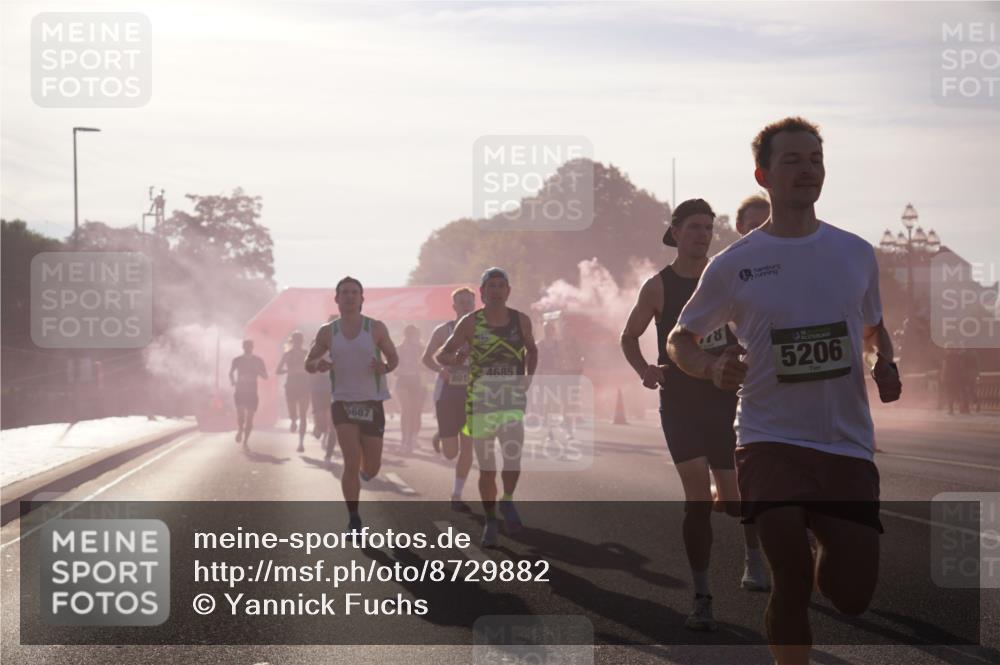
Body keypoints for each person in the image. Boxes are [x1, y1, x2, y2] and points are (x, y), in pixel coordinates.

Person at [667, 116, 902, 665]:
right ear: (764, 175)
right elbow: (682, 338)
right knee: (790, 581)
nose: (807, 170)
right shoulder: (735, 265)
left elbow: (871, 329)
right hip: (768, 437)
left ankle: (823, 529)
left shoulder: (854, 253)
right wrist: (708, 368)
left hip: (845, 442)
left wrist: (883, 361)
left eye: (815, 160)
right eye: (792, 161)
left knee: (851, 596)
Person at [621, 198, 769, 634]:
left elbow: (757, 326)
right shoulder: (658, 286)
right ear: (676, 231)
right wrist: (644, 368)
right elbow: (629, 336)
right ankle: (702, 596)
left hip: (725, 400)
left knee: (734, 498)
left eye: (708, 227)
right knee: (697, 501)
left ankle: (753, 555)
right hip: (680, 403)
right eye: (694, 227)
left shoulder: (725, 278)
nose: (702, 235)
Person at [436, 267, 538, 547]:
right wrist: (455, 357)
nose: (495, 290)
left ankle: (507, 500)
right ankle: (491, 520)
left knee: (512, 458)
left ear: (508, 291)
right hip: (480, 401)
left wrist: (528, 377)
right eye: (490, 286)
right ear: (482, 292)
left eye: (500, 285)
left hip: (512, 398)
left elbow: (533, 349)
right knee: (487, 466)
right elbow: (441, 354)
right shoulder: (469, 323)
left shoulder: (521, 321)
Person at [305, 276, 399, 532]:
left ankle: (366, 473)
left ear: (361, 298)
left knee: (372, 466)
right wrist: (318, 364)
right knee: (350, 459)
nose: (349, 296)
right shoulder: (328, 331)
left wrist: (385, 367)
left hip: (372, 402)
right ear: (336, 299)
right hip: (343, 402)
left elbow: (393, 357)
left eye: (354, 292)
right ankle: (354, 517)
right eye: (344, 292)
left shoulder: (376, 328)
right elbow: (308, 362)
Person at [422, 287, 478, 511]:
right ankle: (442, 434)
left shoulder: (483, 332)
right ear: (454, 307)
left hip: (473, 394)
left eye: (469, 301)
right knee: (450, 452)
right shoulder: (443, 331)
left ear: (475, 305)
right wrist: (440, 370)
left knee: (468, 446)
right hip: (447, 393)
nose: (465, 305)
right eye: (461, 302)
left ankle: (456, 493)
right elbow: (426, 358)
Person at [395, 324, 428, 453]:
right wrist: (398, 370)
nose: (411, 337)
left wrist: (421, 365)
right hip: (403, 381)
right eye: (409, 334)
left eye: (413, 334)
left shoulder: (422, 349)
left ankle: (413, 437)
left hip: (417, 381)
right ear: (405, 335)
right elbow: (393, 366)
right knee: (406, 410)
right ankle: (405, 439)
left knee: (416, 412)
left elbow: (428, 365)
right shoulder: (399, 349)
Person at [277, 330, 311, 452]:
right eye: (295, 341)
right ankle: (292, 420)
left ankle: (301, 443)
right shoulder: (287, 354)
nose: (297, 343)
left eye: (299, 341)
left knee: (303, 415)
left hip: (303, 383)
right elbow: (278, 370)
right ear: (292, 342)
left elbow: (313, 367)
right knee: (293, 413)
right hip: (291, 384)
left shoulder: (307, 353)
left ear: (301, 342)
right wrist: (289, 371)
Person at [229, 339, 267, 448]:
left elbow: (265, 376)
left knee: (250, 418)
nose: (247, 348)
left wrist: (257, 371)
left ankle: (245, 440)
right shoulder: (237, 360)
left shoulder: (258, 360)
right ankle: (240, 429)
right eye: (246, 346)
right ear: (243, 347)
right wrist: (232, 381)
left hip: (252, 392)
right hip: (240, 390)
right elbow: (231, 373)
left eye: (249, 346)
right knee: (241, 415)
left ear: (252, 347)